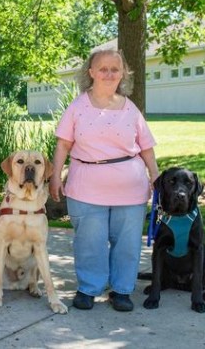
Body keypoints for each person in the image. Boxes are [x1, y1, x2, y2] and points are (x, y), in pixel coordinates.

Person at [50, 48, 158, 312]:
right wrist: (54, 176)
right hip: (85, 187)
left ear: (123, 74)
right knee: (89, 242)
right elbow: (63, 145)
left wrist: (155, 176)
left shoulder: (131, 108)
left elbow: (146, 147)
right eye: (103, 68)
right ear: (91, 72)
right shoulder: (78, 106)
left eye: (115, 69)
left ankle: (122, 290)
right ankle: (89, 288)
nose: (109, 74)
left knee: (127, 243)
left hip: (130, 190)